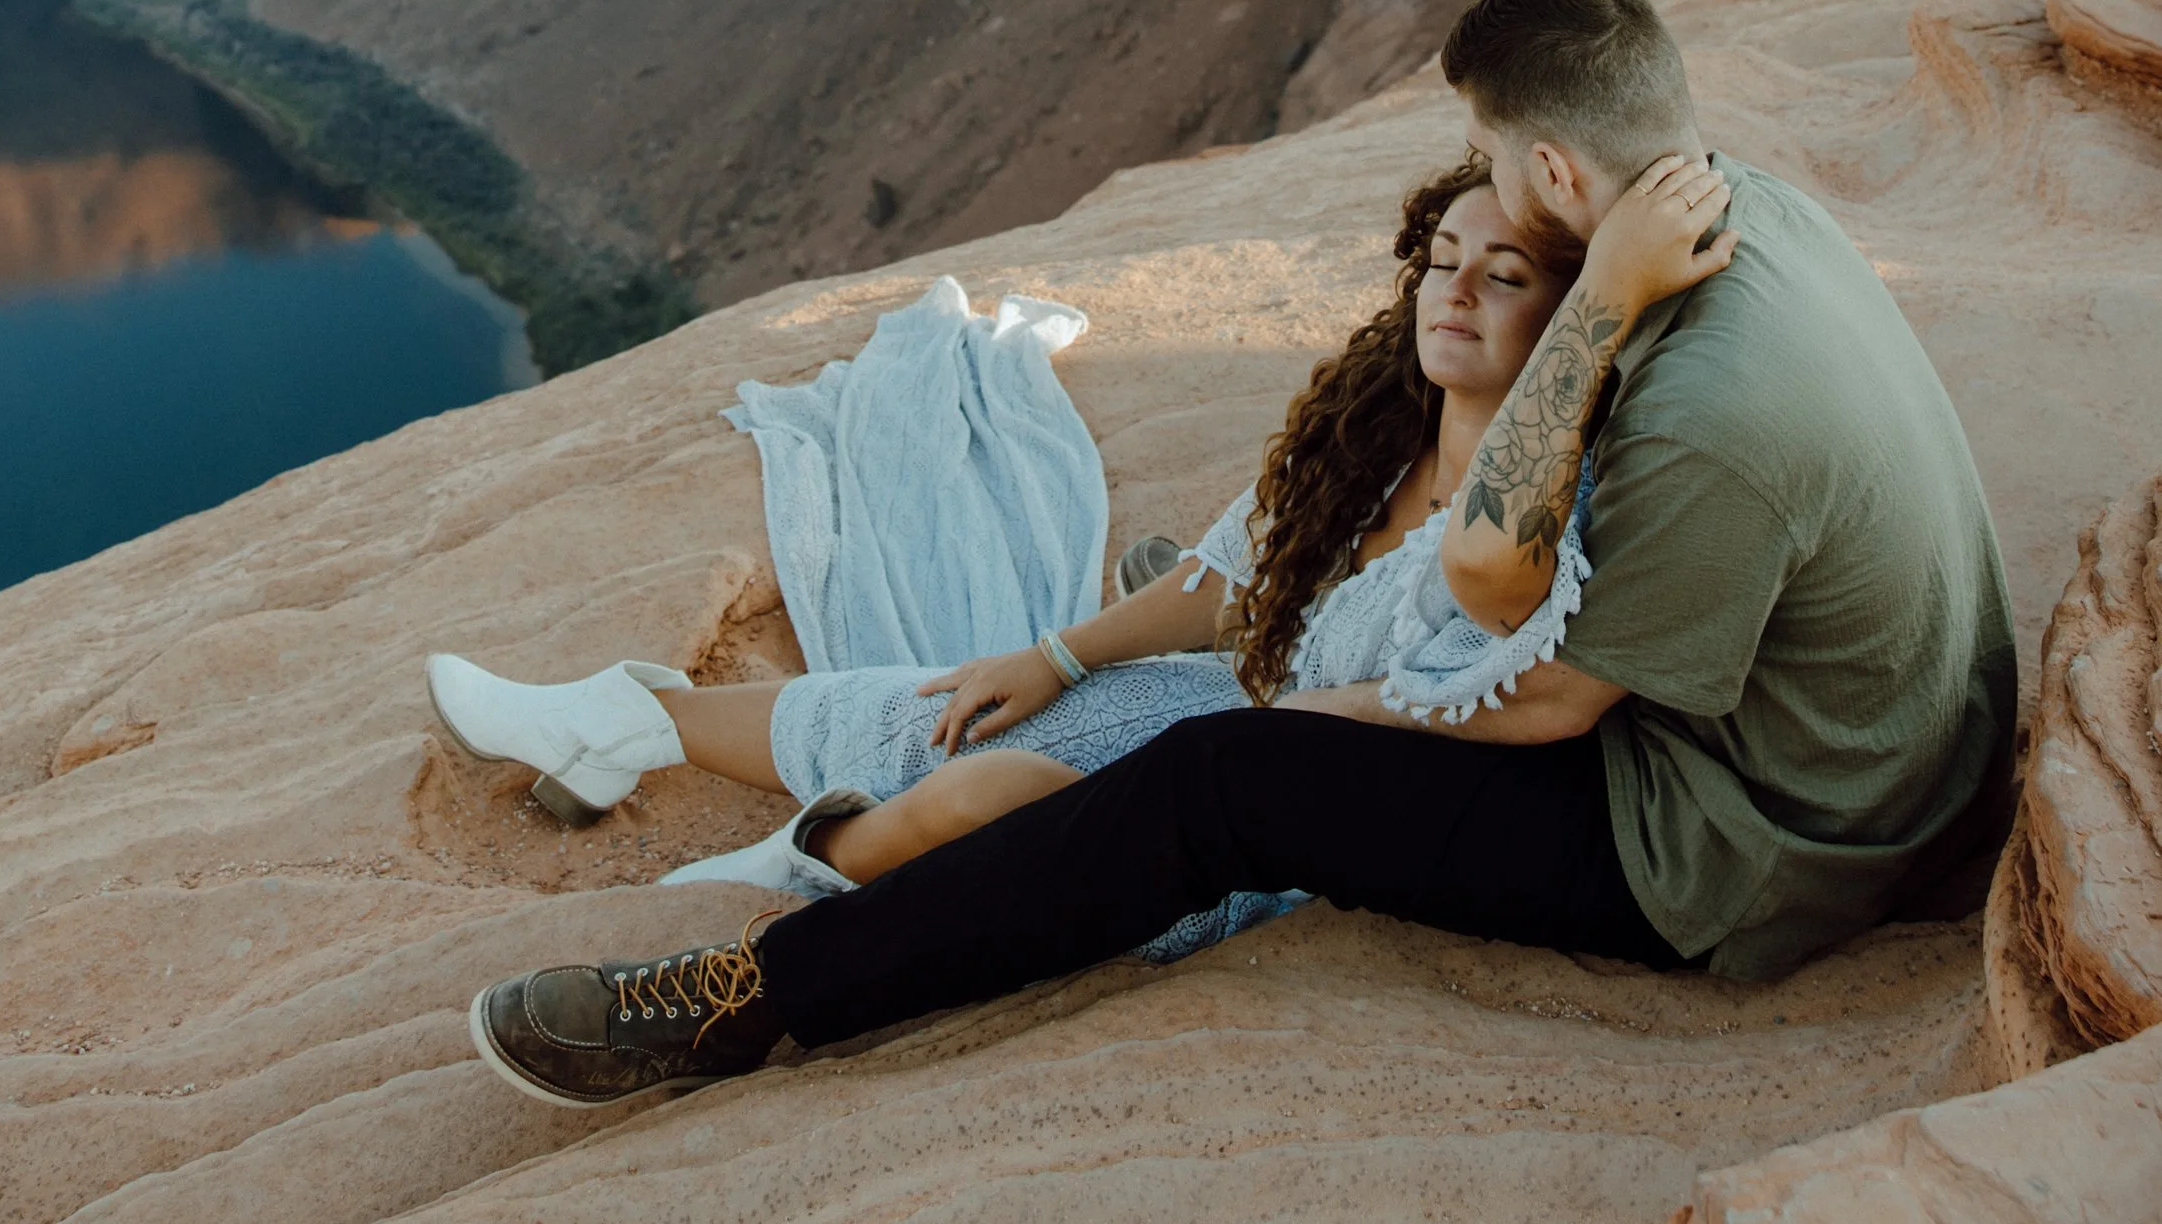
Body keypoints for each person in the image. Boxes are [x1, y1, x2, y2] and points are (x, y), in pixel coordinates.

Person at [463, 0, 2018, 1107]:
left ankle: (750, 999)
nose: (1469, 206)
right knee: (1192, 719)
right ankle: (783, 796)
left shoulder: (1698, 408)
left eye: (1489, 166)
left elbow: (1541, 695)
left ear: (1560, 172)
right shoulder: (1740, 206)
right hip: (1878, 753)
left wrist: (1290, 713)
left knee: (1217, 779)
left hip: (1742, 848)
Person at [435, 164, 1593, 944]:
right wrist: (1054, 658)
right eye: (1444, 261)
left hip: (1275, 814)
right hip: (1222, 703)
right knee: (958, 708)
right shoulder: (1382, 433)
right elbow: (1220, 585)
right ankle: (624, 723)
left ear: (1567, 325)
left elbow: (1454, 718)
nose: (1456, 295)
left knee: (993, 791)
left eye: (1504, 278)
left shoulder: (1524, 521)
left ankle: (796, 875)